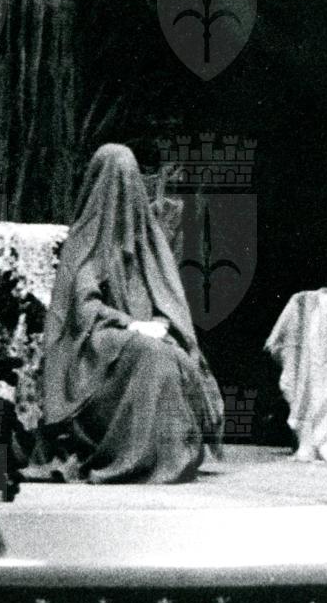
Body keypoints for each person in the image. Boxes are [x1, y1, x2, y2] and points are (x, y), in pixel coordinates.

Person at [34, 143, 224, 482]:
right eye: (114, 180)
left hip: (141, 333)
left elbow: (166, 300)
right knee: (152, 354)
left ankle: (165, 456)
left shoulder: (147, 241)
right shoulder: (84, 241)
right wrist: (131, 325)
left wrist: (160, 324)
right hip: (93, 341)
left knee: (175, 357)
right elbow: (84, 310)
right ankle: (133, 456)